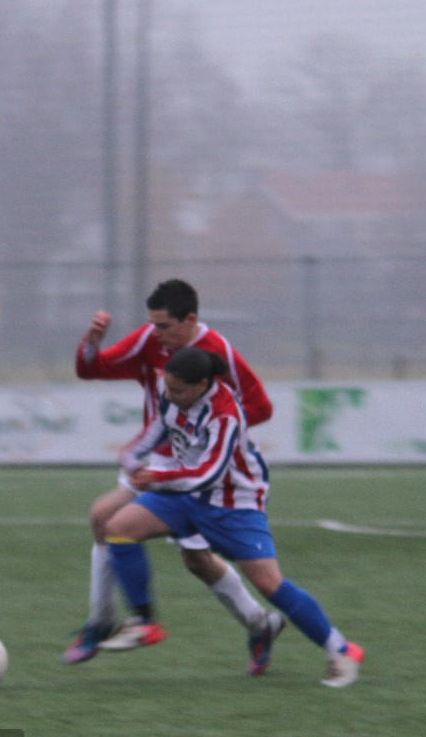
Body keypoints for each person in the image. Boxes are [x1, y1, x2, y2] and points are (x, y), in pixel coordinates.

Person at [99, 346, 364, 688]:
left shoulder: (225, 413)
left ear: (202, 385)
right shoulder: (172, 394)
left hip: (233, 501)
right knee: (119, 529)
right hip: (184, 493)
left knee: (269, 583)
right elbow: (158, 428)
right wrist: (132, 456)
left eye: (177, 390)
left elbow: (208, 473)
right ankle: (144, 622)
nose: (169, 395)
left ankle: (341, 649)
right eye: (167, 387)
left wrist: (158, 477)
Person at [64, 279, 284, 671]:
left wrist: (208, 434)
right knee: (106, 519)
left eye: (164, 326)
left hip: (198, 472)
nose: (156, 334)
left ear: (190, 320)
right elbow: (92, 368)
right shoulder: (148, 340)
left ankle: (258, 624)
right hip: (156, 463)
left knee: (195, 559)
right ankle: (104, 621)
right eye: (153, 324)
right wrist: (92, 342)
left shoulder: (218, 351)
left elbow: (260, 407)